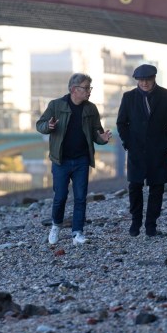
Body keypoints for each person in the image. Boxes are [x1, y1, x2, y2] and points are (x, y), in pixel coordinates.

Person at [35, 73, 113, 246]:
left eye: (89, 88)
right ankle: (56, 225)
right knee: (60, 196)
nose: (88, 92)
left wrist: (103, 139)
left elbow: (96, 133)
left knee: (80, 197)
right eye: (85, 88)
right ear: (73, 89)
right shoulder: (56, 105)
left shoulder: (91, 109)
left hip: (81, 160)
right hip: (60, 160)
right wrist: (48, 126)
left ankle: (77, 233)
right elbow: (39, 125)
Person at [115, 64, 167, 238]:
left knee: (157, 188)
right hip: (136, 150)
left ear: (154, 78)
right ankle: (135, 223)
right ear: (137, 80)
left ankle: (151, 226)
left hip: (158, 150)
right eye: (140, 80)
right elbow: (121, 123)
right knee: (135, 187)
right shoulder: (128, 97)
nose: (144, 83)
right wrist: (128, 143)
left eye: (147, 79)